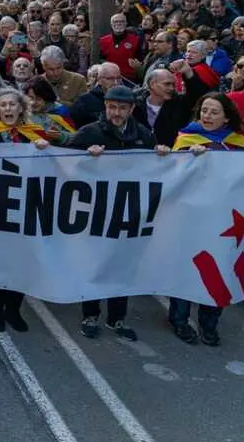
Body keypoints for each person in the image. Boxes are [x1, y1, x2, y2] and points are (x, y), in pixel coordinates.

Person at [67, 86, 172, 340]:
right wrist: (85, 156)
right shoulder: (89, 132)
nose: (116, 112)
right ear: (105, 106)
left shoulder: (143, 134)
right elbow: (64, 161)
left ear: (132, 109)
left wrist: (162, 154)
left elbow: (155, 169)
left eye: (122, 108)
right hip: (97, 211)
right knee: (95, 266)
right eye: (112, 107)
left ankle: (117, 318)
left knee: (123, 266)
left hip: (128, 213)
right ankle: (90, 315)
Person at [169, 92, 244, 346]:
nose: (207, 116)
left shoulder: (239, 143)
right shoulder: (186, 139)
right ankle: (179, 320)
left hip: (224, 219)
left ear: (226, 118)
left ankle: (209, 323)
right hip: (190, 217)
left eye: (214, 112)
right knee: (186, 268)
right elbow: (172, 177)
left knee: (219, 270)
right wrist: (187, 160)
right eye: (204, 110)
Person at [0, 88, 53, 332]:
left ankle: (13, 309)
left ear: (21, 108)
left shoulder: (34, 136)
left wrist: (45, 148)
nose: (8, 108)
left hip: (27, 207)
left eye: (12, 104)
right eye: (3, 105)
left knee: (22, 261)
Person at [70, 62, 123, 128]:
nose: (116, 83)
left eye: (118, 78)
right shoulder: (84, 101)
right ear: (99, 80)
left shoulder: (126, 99)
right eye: (110, 79)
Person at [100, 14, 143, 82]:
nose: (119, 23)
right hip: (110, 78)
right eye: (116, 21)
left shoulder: (136, 40)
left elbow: (139, 59)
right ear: (111, 24)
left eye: (122, 21)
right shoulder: (103, 41)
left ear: (126, 23)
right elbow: (101, 59)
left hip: (129, 79)